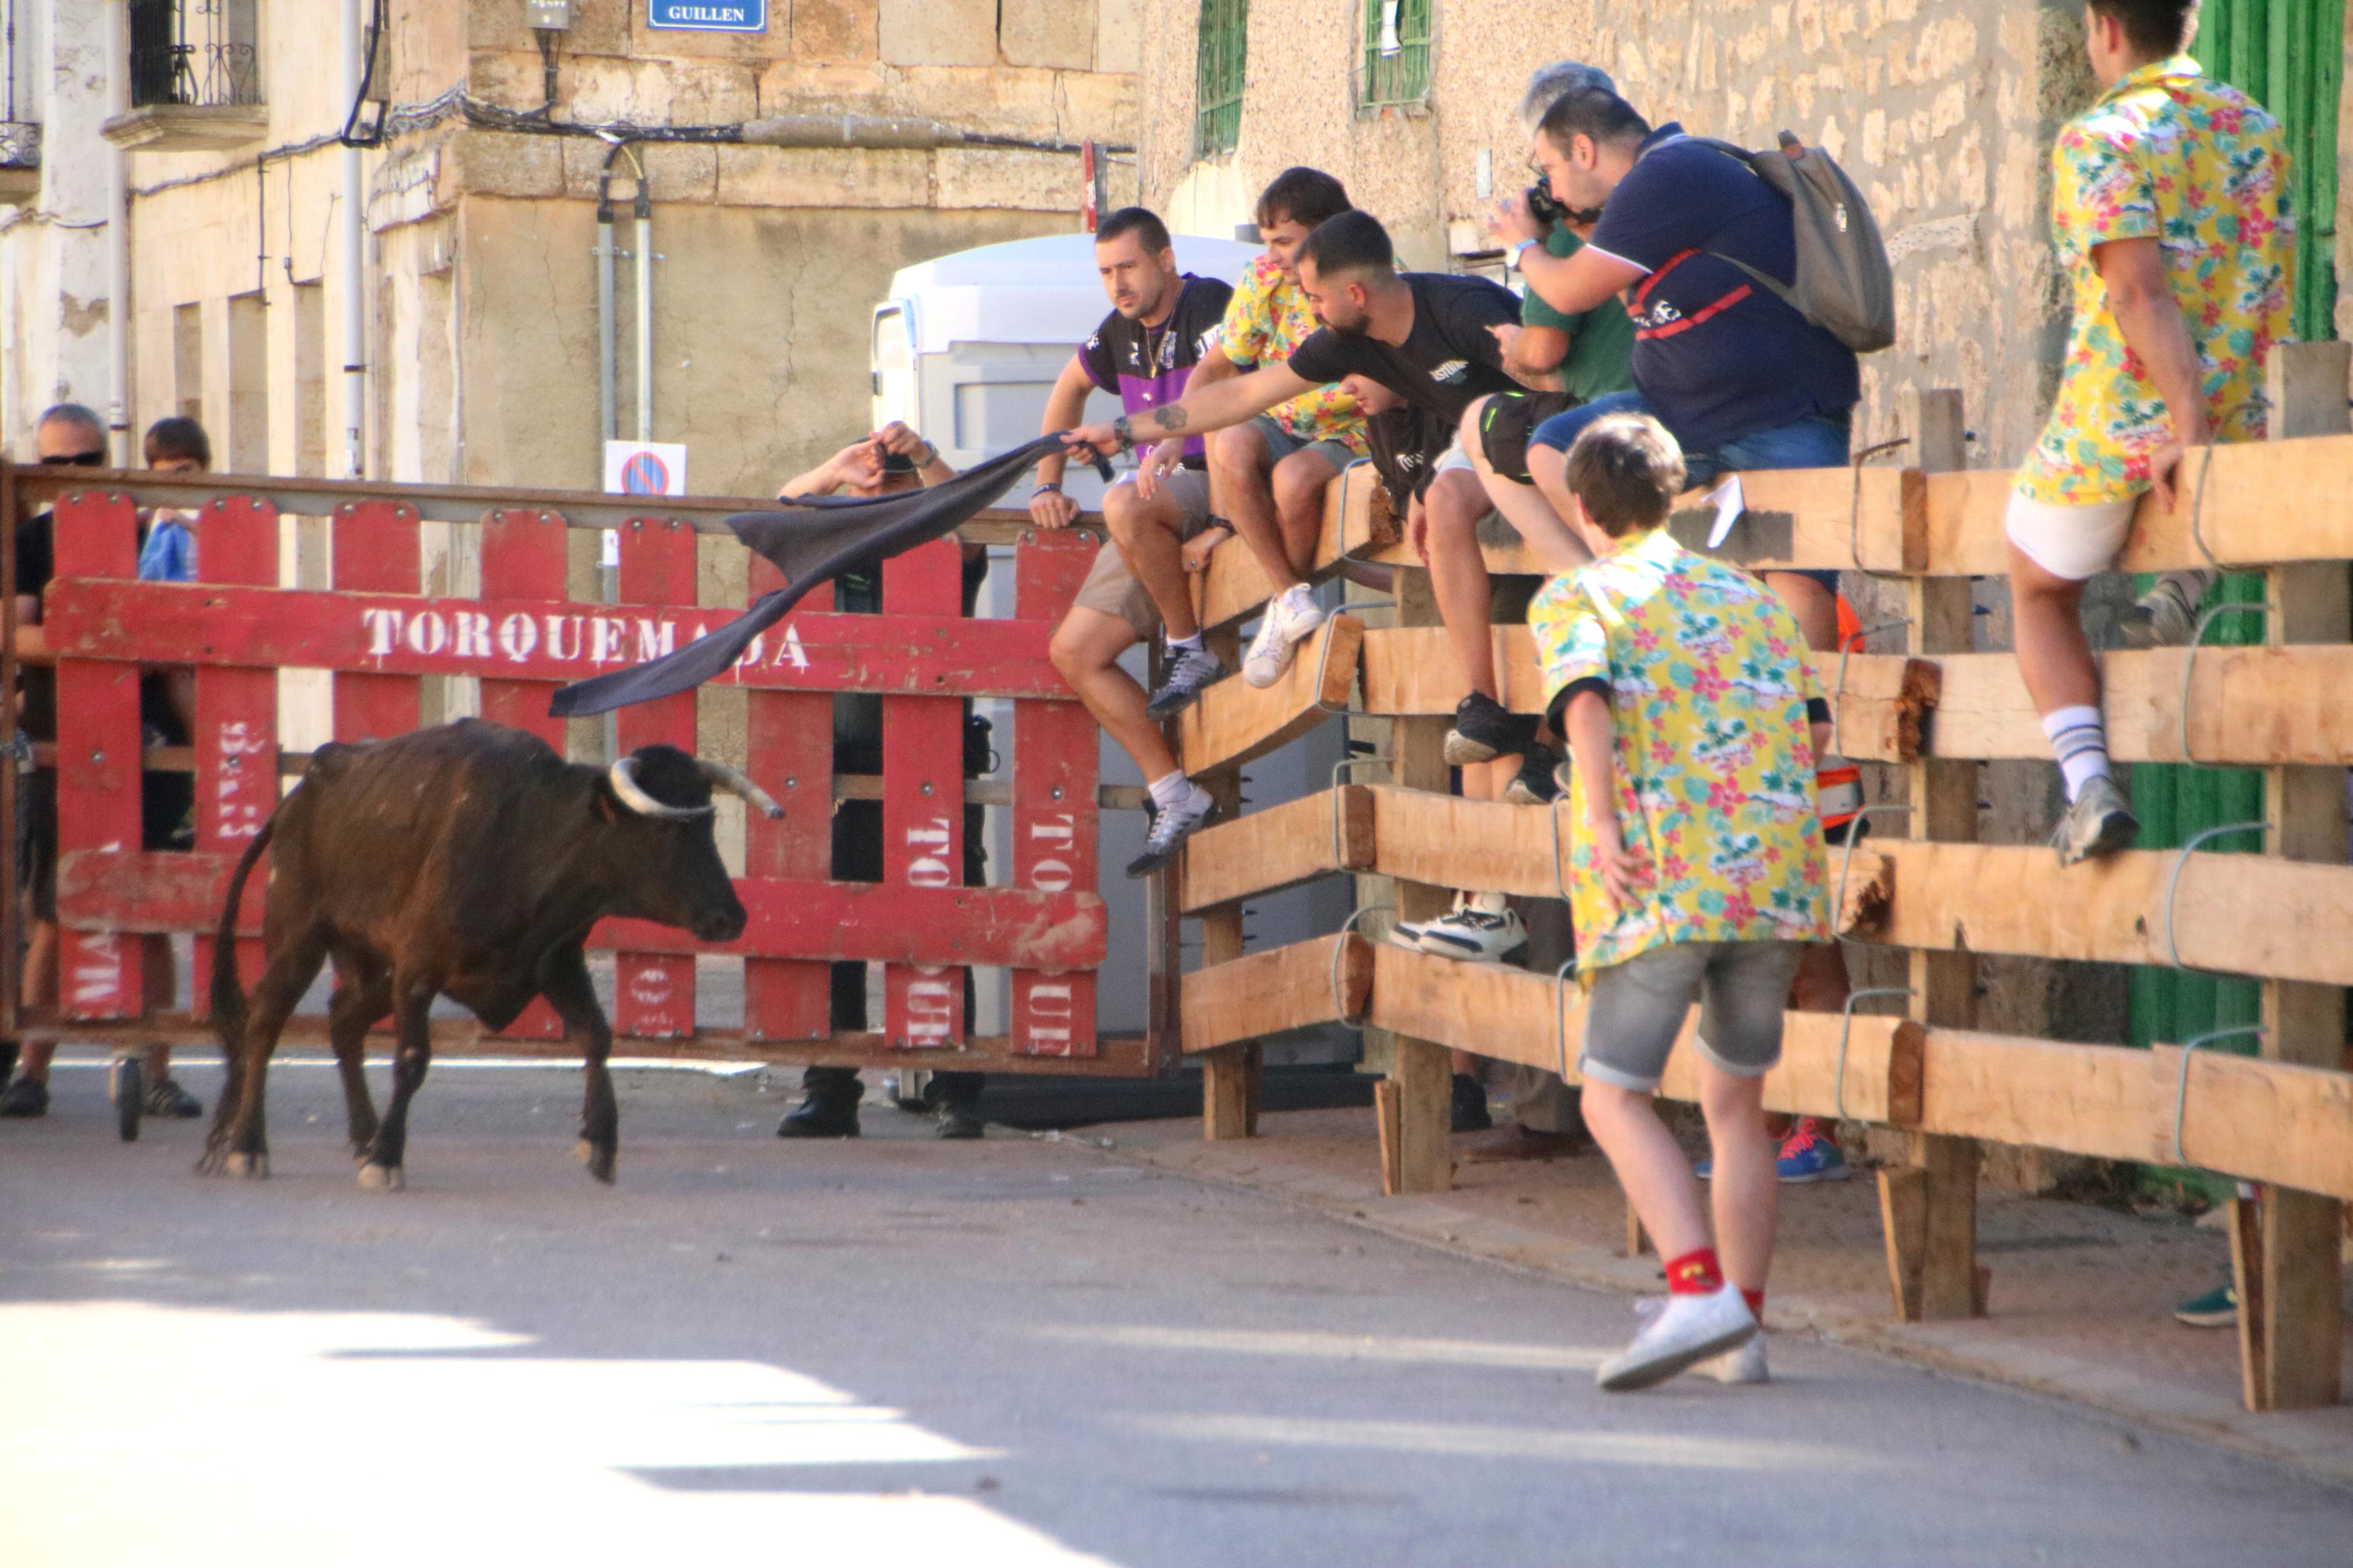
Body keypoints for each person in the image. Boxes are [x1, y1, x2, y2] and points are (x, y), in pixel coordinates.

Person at [1492, 82, 1866, 1179]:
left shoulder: (1672, 169)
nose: (1550, 189)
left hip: (1776, 414)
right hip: (1690, 428)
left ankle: (1803, 734)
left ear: (1577, 147)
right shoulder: (1653, 190)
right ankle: (1638, 601)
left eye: (1552, 170)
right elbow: (1549, 352)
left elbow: (1559, 290)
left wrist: (1526, 242)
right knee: (1550, 445)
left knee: (1799, 596)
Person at [1062, 209, 1574, 953]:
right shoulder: (1345, 343)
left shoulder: (1459, 309)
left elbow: (1549, 369)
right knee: (1446, 508)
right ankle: (1488, 710)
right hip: (1477, 476)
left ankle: (1540, 736)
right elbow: (1241, 396)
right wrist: (1132, 430)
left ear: (1356, 293)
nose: (1305, 311)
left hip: (1548, 453)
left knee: (1536, 595)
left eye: (1311, 296)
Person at [1532, 412, 1833, 1389]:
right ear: (1676, 498)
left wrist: (1609, 825)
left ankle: (1694, 1289)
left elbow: (1583, 703)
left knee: (1612, 1092)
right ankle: (1738, 1333)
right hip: (1774, 881)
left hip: (1663, 877)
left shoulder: (1577, 595)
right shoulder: (1751, 599)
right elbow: (1814, 729)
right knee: (1736, 1108)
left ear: (1580, 507)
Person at [2005, 0, 2290, 863]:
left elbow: (2134, 292)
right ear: (2187, 24)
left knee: (2033, 584)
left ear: (2102, 26)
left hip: (2126, 428)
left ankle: (2086, 782)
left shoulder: (2102, 136)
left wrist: (2183, 425)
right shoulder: (2254, 126)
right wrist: (2208, 424)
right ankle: (2183, 582)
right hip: (2243, 417)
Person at [770, 422, 991, 1141]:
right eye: (879, 485)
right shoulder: (833, 551)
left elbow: (971, 522)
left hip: (935, 765)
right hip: (845, 764)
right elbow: (774, 521)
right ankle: (831, 1091)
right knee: (840, 925)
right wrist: (835, 470)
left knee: (943, 919)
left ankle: (960, 1089)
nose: (886, 498)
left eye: (899, 488)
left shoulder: (941, 553)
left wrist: (924, 459)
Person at [0, 405, 204, 1121]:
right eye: (58, 467)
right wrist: (98, 638)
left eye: (87, 463)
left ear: (109, 460)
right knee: (57, 908)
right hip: (65, 740)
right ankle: (32, 1069)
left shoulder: (151, 530)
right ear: (41, 469)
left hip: (151, 741)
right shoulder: (32, 538)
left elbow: (186, 625)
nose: (74, 479)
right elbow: (15, 638)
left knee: (149, 907)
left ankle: (156, 1071)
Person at [1032, 207, 1235, 878]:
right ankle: (1174, 793)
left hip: (1219, 480)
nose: (1116, 283)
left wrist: (1220, 521)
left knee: (1122, 499)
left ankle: (1186, 648)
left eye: (1127, 266)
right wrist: (1046, 483)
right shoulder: (1116, 332)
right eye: (1105, 272)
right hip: (1151, 504)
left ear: (1164, 259)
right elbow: (1067, 390)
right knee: (1073, 652)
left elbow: (1234, 394)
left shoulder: (1208, 303)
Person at [1188, 166, 1369, 688]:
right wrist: (1169, 438)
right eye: (1266, 242)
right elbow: (1220, 365)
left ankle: (1277, 613)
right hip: (1281, 419)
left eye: (1283, 242)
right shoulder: (1264, 277)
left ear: (1326, 233)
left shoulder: (1368, 275)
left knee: (1293, 480)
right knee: (1233, 441)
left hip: (1349, 429)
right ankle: (1289, 594)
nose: (1271, 254)